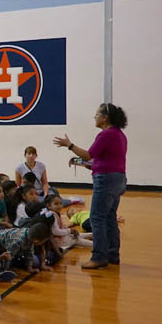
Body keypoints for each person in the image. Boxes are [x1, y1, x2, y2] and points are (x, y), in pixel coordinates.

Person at [54, 102, 128, 269]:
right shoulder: (120, 135)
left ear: (105, 117)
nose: (94, 117)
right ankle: (112, 255)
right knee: (109, 217)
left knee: (97, 218)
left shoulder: (106, 134)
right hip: (118, 179)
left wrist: (69, 145)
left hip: (106, 180)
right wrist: (88, 165)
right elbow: (105, 159)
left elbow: (89, 154)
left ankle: (99, 257)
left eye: (97, 114)